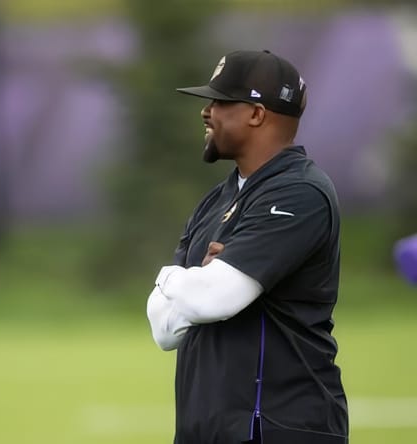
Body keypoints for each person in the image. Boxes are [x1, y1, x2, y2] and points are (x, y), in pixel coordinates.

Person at [146, 50, 348, 443]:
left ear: (256, 114)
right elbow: (164, 328)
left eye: (220, 101)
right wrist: (196, 281)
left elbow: (214, 300)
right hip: (207, 428)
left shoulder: (299, 193)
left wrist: (175, 279)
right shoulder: (214, 202)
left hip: (278, 426)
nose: (206, 112)